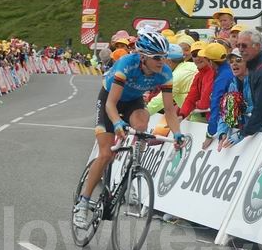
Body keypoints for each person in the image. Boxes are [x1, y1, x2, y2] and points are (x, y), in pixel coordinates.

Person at [74, 31, 185, 229]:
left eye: (164, 56)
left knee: (142, 126)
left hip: (133, 101)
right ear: (143, 57)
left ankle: (130, 172)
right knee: (106, 154)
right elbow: (111, 104)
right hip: (110, 99)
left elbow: (169, 109)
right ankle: (83, 202)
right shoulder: (127, 63)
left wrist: (177, 133)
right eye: (157, 58)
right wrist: (117, 123)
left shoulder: (165, 73)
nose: (162, 61)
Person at [234, 29, 262, 140]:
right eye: (238, 45)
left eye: (244, 46)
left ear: (258, 46)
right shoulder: (254, 66)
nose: (240, 50)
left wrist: (244, 132)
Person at [147, 43, 197, 114]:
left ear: (169, 61)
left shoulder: (177, 75)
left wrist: (141, 116)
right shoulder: (189, 65)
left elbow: (160, 101)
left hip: (200, 115)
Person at [203, 42, 234, 149]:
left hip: (231, 126)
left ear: (211, 62)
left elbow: (216, 104)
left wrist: (210, 132)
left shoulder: (222, 77)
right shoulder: (231, 70)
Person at [216, 49, 248, 151]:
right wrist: (222, 132)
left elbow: (260, 111)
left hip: (258, 133)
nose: (234, 64)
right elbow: (227, 112)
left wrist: (243, 109)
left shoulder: (256, 81)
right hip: (242, 132)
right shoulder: (233, 84)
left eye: (238, 60)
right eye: (231, 61)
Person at [177, 41, 214, 123]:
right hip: (208, 118)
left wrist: (196, 105)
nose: (197, 58)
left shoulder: (213, 72)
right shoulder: (198, 76)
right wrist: (182, 115)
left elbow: (205, 103)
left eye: (201, 54)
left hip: (218, 120)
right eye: (194, 55)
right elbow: (191, 98)